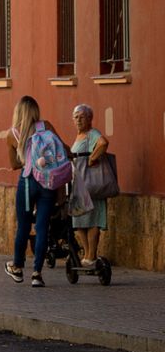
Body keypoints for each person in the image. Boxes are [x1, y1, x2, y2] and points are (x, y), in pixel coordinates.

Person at [5, 95, 65, 286]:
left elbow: (13, 164)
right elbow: (62, 149)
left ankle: (17, 267)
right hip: (48, 182)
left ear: (18, 112)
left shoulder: (12, 134)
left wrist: (26, 156)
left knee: (23, 226)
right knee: (42, 228)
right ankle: (37, 274)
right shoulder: (46, 126)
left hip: (28, 181)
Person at [69, 103, 111, 267]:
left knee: (93, 220)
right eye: (76, 117)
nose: (79, 120)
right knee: (78, 220)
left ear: (90, 119)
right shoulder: (79, 136)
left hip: (92, 184)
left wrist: (92, 158)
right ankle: (87, 254)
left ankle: (91, 255)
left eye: (82, 117)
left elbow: (103, 143)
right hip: (79, 184)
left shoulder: (92, 133)